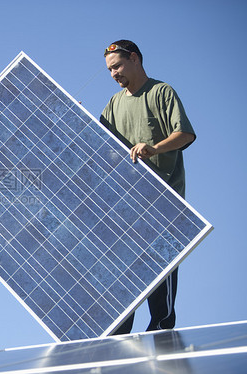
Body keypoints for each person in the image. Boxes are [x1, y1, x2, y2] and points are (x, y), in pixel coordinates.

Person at [99, 40, 196, 334]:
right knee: (123, 281)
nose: (113, 74)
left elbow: (185, 135)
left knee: (159, 285)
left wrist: (153, 148)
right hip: (128, 206)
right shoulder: (114, 103)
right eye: (109, 70)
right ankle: (117, 342)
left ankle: (161, 335)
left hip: (163, 202)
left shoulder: (161, 92)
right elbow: (97, 145)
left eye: (117, 66)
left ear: (135, 59)